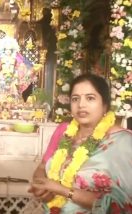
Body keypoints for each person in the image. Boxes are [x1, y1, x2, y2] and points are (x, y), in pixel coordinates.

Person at [28, 73, 132, 213]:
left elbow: (121, 204)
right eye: (75, 99)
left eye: (90, 98)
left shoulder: (122, 142)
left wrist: (62, 190)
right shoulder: (65, 133)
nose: (81, 105)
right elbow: (42, 168)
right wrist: (42, 187)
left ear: (105, 105)